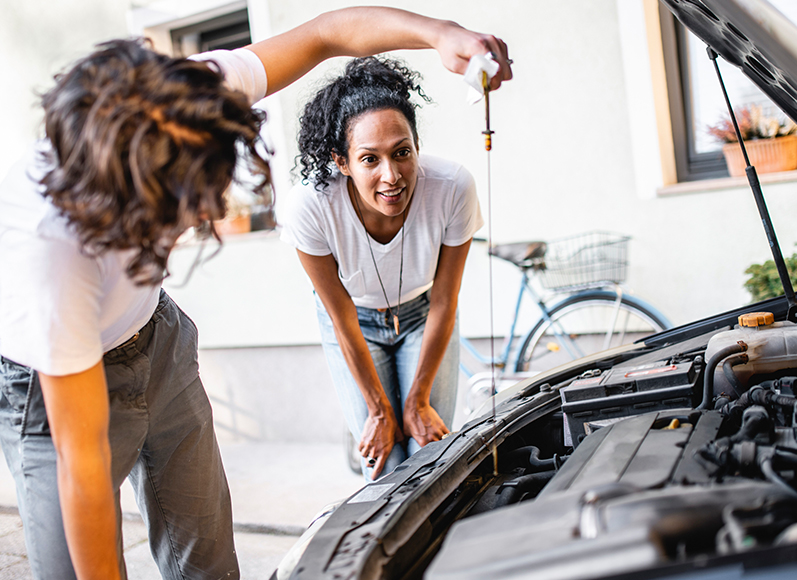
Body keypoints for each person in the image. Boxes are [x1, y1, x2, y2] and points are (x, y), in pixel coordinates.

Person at [0, 7, 511, 580]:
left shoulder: (185, 102)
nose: (213, 210)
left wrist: (443, 36)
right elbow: (83, 464)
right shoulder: (50, 254)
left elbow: (325, 36)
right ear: (132, 191)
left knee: (208, 563)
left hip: (157, 338)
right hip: (52, 384)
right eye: (190, 199)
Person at [281, 56, 486, 481]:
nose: (391, 176)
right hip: (353, 322)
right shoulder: (310, 207)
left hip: (424, 315)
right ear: (342, 162)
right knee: (384, 463)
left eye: (402, 153)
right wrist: (378, 410)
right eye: (369, 159)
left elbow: (446, 301)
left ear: (416, 145)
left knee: (429, 453)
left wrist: (417, 403)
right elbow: (340, 318)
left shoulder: (452, 189)